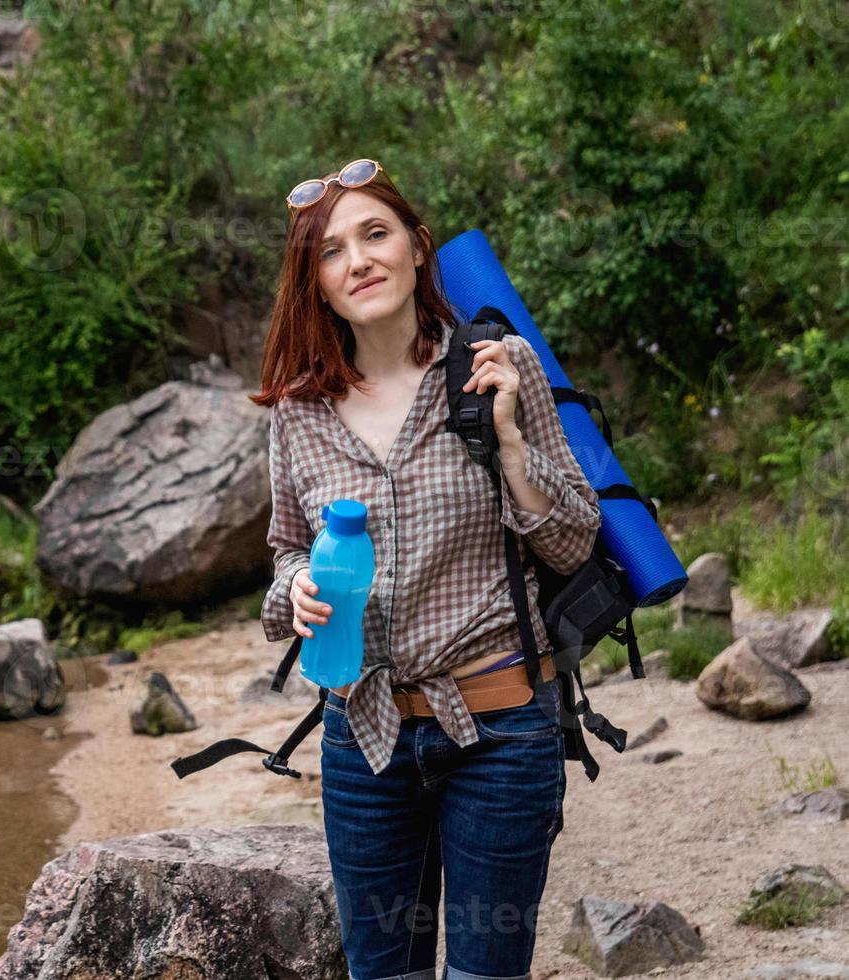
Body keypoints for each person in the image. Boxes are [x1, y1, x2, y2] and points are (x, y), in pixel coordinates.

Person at [248, 159, 603, 980]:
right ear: (318, 286)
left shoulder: (494, 366)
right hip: (360, 735)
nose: (359, 260)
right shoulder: (297, 410)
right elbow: (284, 554)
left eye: (376, 234)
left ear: (417, 248)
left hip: (501, 729)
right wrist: (295, 587)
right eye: (333, 252)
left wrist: (511, 440)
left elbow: (573, 543)